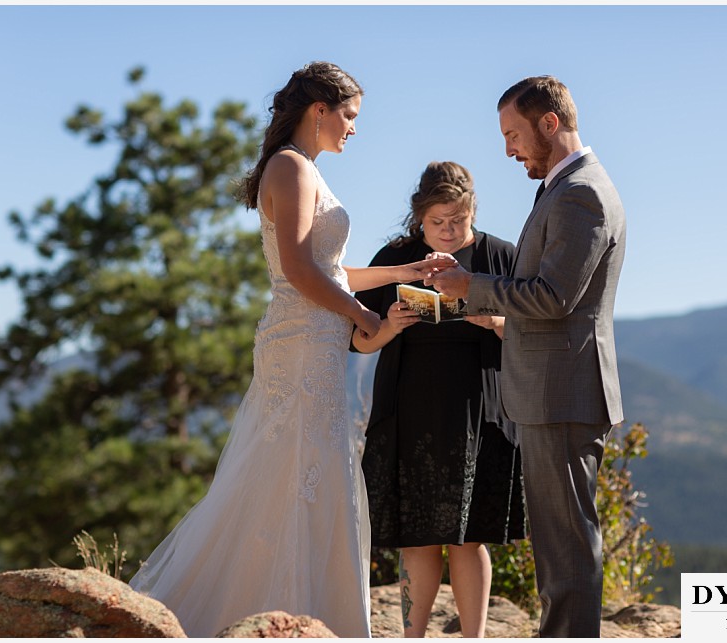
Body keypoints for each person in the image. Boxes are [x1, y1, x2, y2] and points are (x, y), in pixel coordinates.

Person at [128, 61, 454, 638]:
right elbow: (302, 272)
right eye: (349, 116)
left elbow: (329, 269)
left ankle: (311, 615)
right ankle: (271, 613)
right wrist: (361, 316)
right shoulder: (291, 169)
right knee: (289, 473)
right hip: (301, 347)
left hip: (317, 346)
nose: (354, 128)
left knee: (311, 472)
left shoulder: (305, 170)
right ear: (319, 110)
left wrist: (405, 269)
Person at [425, 76, 626, 638]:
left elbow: (553, 296)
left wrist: (471, 286)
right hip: (551, 391)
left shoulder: (582, 193)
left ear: (550, 124)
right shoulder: (563, 190)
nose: (508, 149)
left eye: (513, 134)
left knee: (567, 544)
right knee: (560, 542)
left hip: (561, 391)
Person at [351, 161, 526, 637]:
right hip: (409, 412)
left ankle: (474, 638)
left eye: (458, 221)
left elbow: (533, 337)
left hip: (481, 413)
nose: (448, 232)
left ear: (473, 212)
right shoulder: (397, 256)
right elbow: (358, 341)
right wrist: (389, 325)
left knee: (470, 540)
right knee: (417, 537)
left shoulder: (501, 257)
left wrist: (491, 319)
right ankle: (413, 637)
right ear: (419, 219)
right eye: (437, 223)